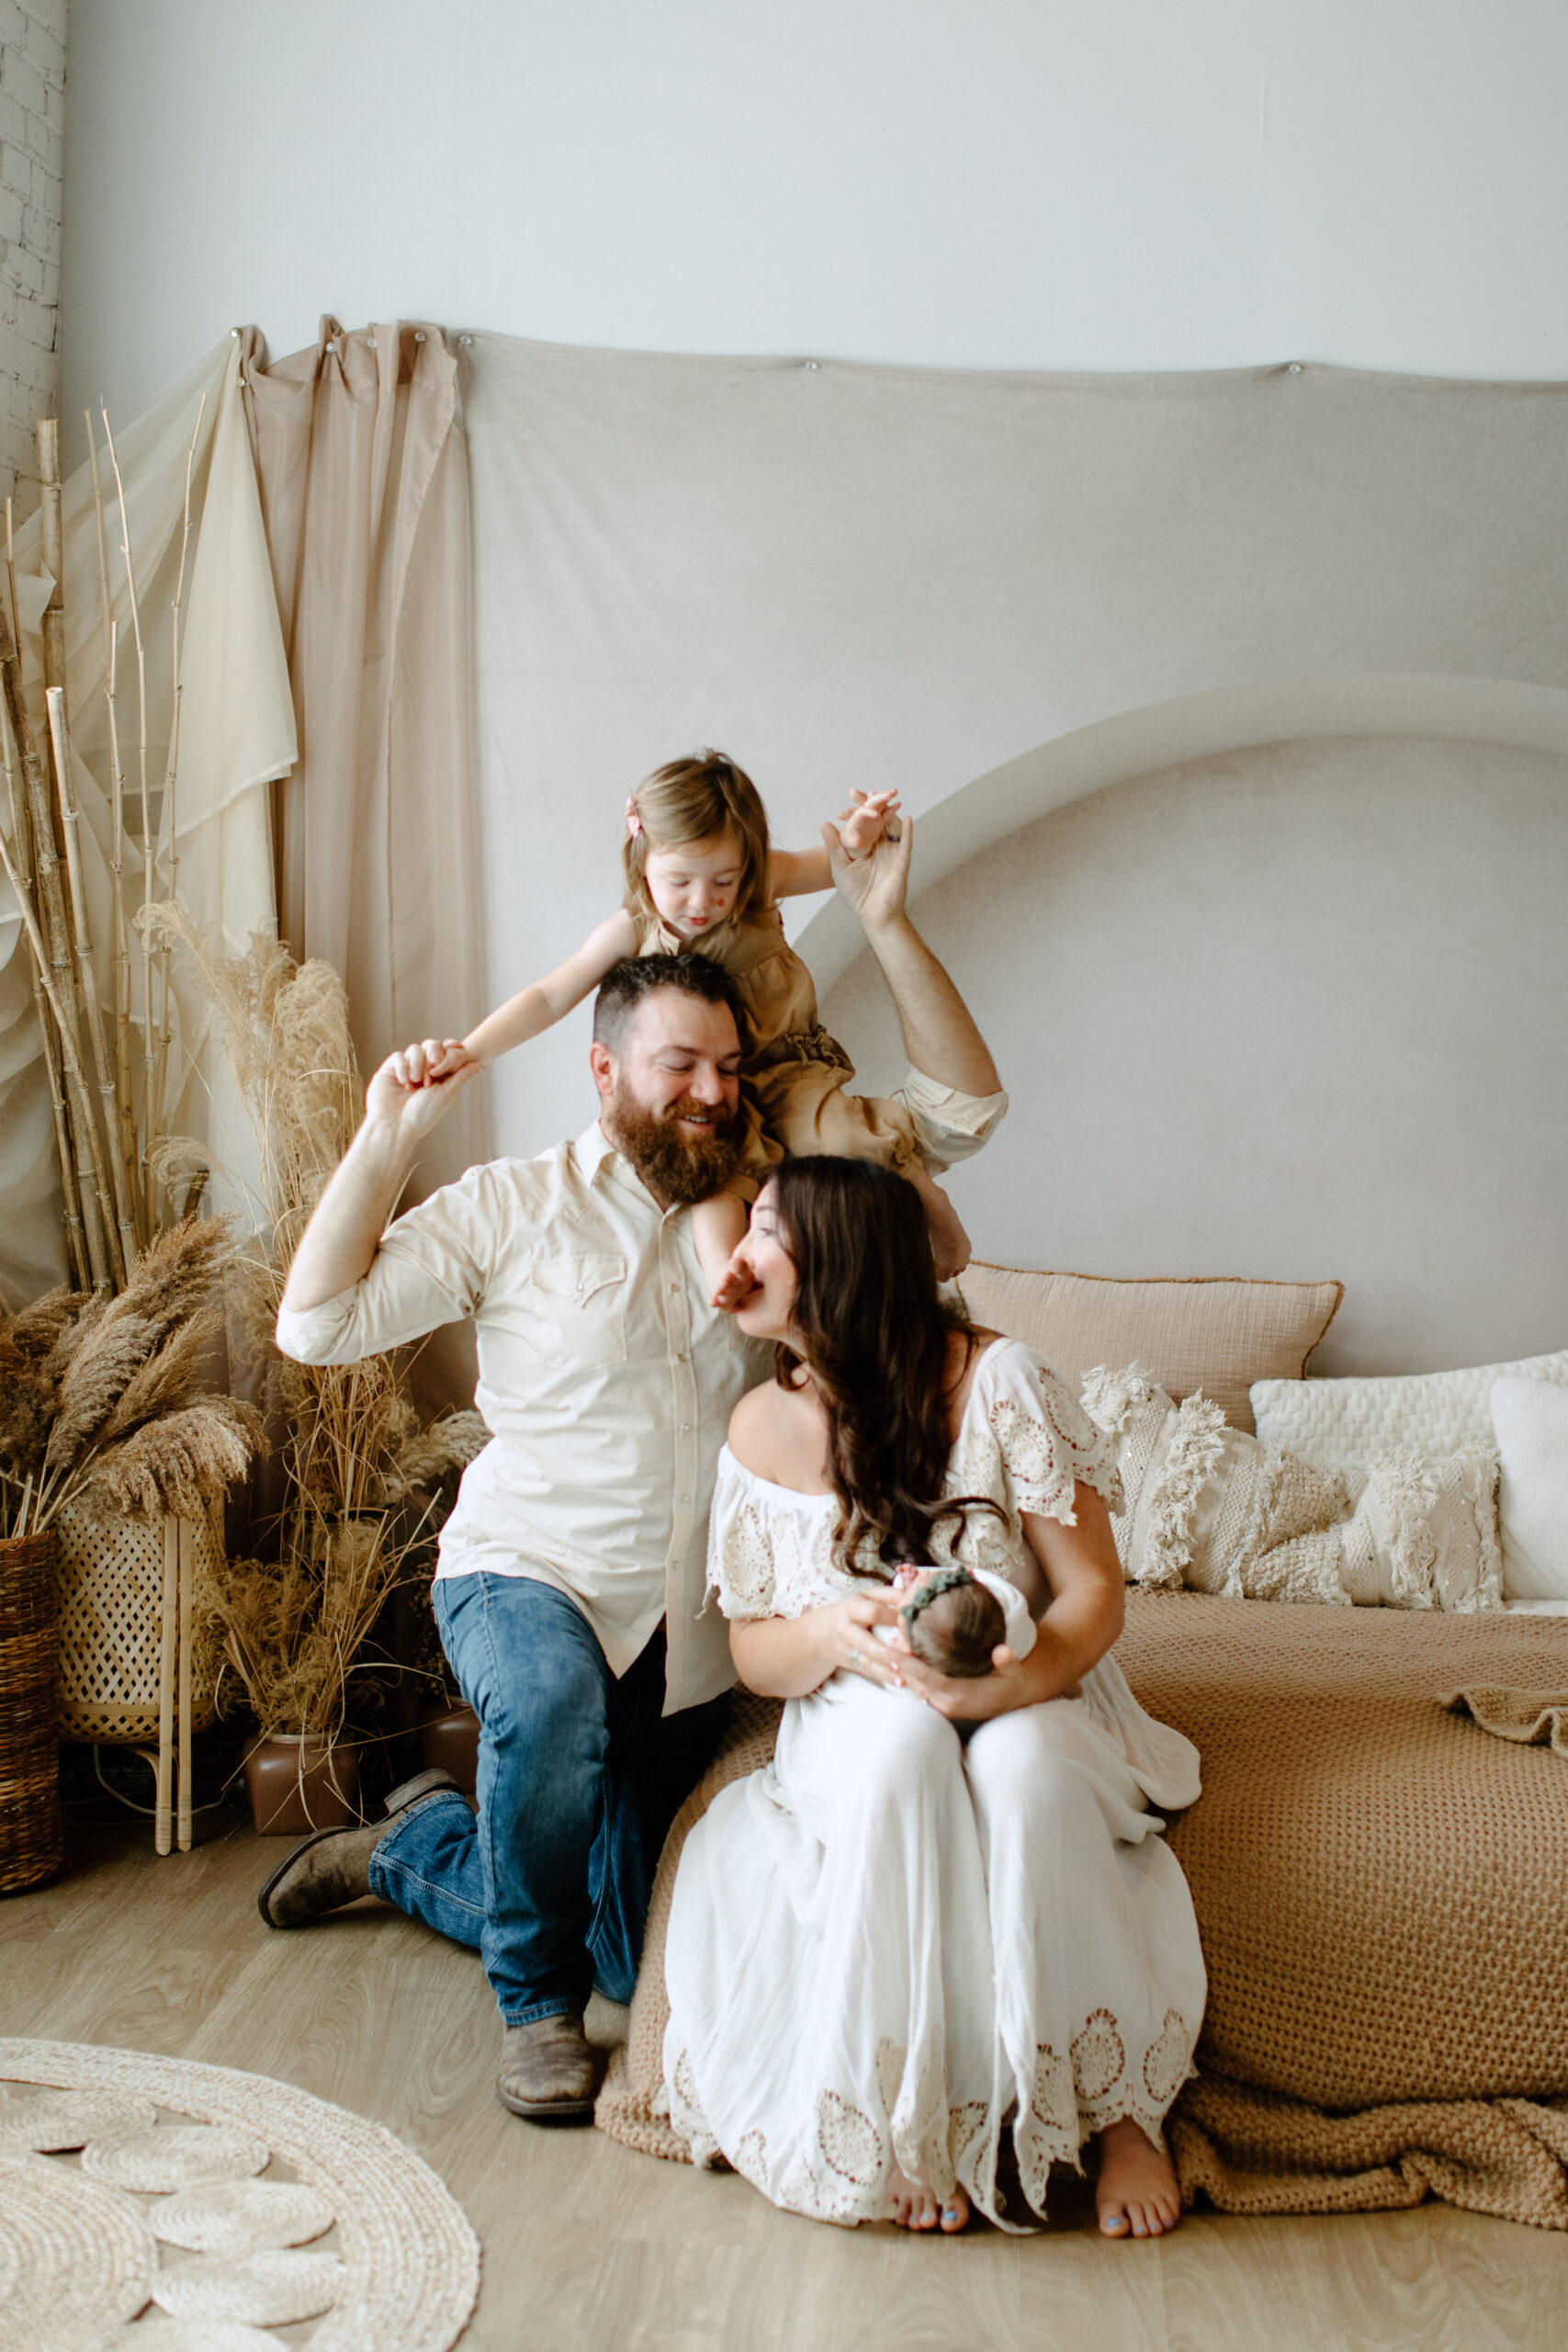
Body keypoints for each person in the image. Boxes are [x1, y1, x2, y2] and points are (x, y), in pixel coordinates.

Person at [257, 813, 1008, 2127]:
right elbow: (313, 1327)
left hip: (689, 1630)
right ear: (601, 1071)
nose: (711, 1094)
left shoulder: (781, 1218)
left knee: (629, 1953)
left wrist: (884, 916)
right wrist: (383, 1143)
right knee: (546, 1719)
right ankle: (530, 2011)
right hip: (529, 1571)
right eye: (679, 1068)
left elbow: (959, 1118)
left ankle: (418, 1847)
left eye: (727, 1067)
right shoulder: (509, 1206)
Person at [660, 1157, 1206, 2239]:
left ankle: (1117, 2113)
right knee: (902, 1754)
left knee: (1024, 1767)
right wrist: (826, 1630)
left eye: (769, 1231)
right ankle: (913, 2115)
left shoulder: (999, 1381)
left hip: (1031, 1681)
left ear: (843, 1262)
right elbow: (756, 1651)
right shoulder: (759, 1426)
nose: (740, 1254)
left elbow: (1095, 1590)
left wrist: (1007, 1689)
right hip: (860, 1710)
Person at [417, 751, 974, 1296]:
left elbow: (830, 865)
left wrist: (855, 840)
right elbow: (548, 996)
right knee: (712, 1179)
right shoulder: (632, 929)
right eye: (680, 881)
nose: (702, 902)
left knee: (842, 1142)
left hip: (784, 1066)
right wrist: (470, 1050)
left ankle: (934, 1210)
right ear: (642, 861)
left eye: (722, 880)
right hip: (709, 1091)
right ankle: (726, 1275)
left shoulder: (759, 888)